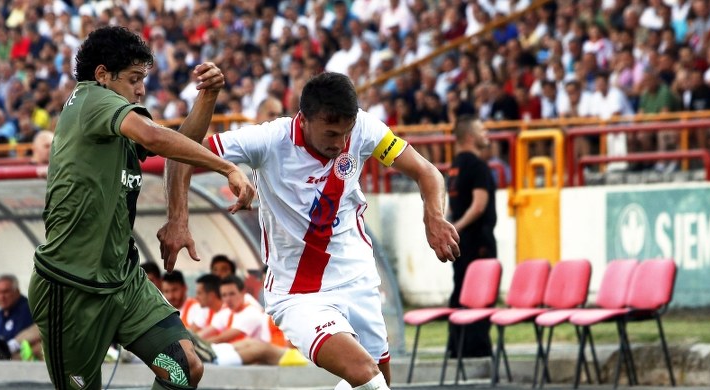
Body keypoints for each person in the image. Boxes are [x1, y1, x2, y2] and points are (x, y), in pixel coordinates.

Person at [160, 72, 460, 389]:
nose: (341, 143)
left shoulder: (364, 128)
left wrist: (434, 217)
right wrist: (179, 218)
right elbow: (181, 153)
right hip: (298, 294)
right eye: (331, 133)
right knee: (367, 377)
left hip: (359, 280)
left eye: (346, 134)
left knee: (378, 381)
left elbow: (426, 171)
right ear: (303, 120)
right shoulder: (269, 141)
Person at [27, 26, 254, 390]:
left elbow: (177, 144)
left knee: (184, 367)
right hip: (71, 289)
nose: (141, 89)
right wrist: (226, 167)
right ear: (102, 75)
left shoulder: (116, 121)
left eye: (143, 79)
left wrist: (207, 97)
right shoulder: (90, 98)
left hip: (125, 283)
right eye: (134, 79)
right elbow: (155, 137)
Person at [445, 116, 496, 358]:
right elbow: (478, 206)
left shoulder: (455, 167)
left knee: (460, 290)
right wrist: (458, 228)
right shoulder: (478, 166)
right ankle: (477, 348)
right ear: (469, 137)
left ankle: (456, 346)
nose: (486, 133)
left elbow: (450, 207)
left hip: (461, 244)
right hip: (478, 241)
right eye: (481, 129)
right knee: (480, 294)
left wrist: (451, 229)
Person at [0, 274, 42, 361]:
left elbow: (41, 332)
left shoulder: (30, 309)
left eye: (6, 292)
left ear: (17, 291)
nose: (2, 297)